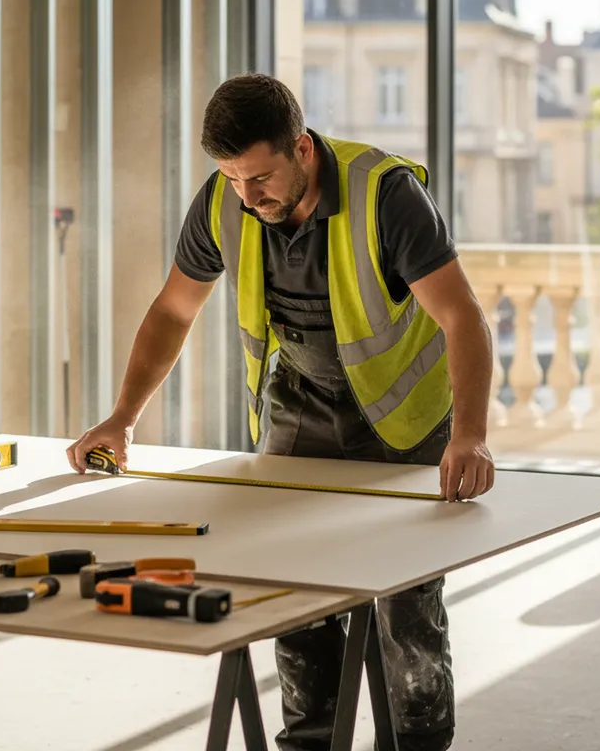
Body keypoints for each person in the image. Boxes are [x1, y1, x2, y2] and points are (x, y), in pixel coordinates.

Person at [67, 73, 495, 751]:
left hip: (402, 419)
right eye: (234, 180)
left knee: (404, 604)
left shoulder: (385, 195)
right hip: (297, 405)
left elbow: (462, 317)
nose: (248, 195)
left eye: (260, 177)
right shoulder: (223, 202)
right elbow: (174, 310)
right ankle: (310, 738)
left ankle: (417, 741)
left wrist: (469, 435)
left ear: (300, 148)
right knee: (291, 586)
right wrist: (122, 416)